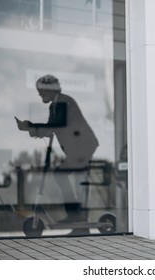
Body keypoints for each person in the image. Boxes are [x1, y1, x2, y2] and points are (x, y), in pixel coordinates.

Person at [16, 74, 99, 223]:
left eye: (41, 90)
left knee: (61, 174)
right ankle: (78, 219)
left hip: (83, 147)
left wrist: (31, 126)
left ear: (51, 89)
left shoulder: (65, 102)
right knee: (63, 175)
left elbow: (57, 124)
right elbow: (49, 130)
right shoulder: (54, 106)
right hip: (77, 149)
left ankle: (75, 215)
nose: (39, 93)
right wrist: (29, 128)